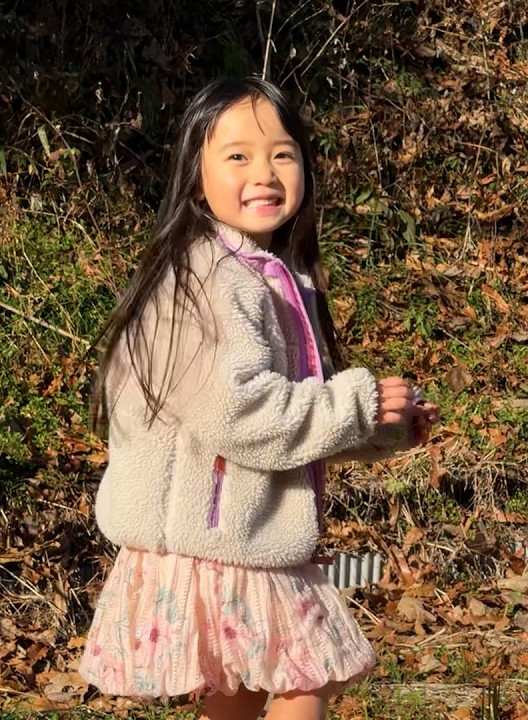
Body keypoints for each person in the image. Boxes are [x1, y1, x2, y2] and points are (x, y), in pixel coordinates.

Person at [78, 77, 439, 720]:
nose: (264, 172)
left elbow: (290, 417)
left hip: (231, 530)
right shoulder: (213, 281)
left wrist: (382, 427)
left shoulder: (268, 277)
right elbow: (237, 414)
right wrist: (355, 402)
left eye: (282, 153)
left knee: (238, 693)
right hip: (222, 537)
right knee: (306, 678)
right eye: (238, 155)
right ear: (195, 178)